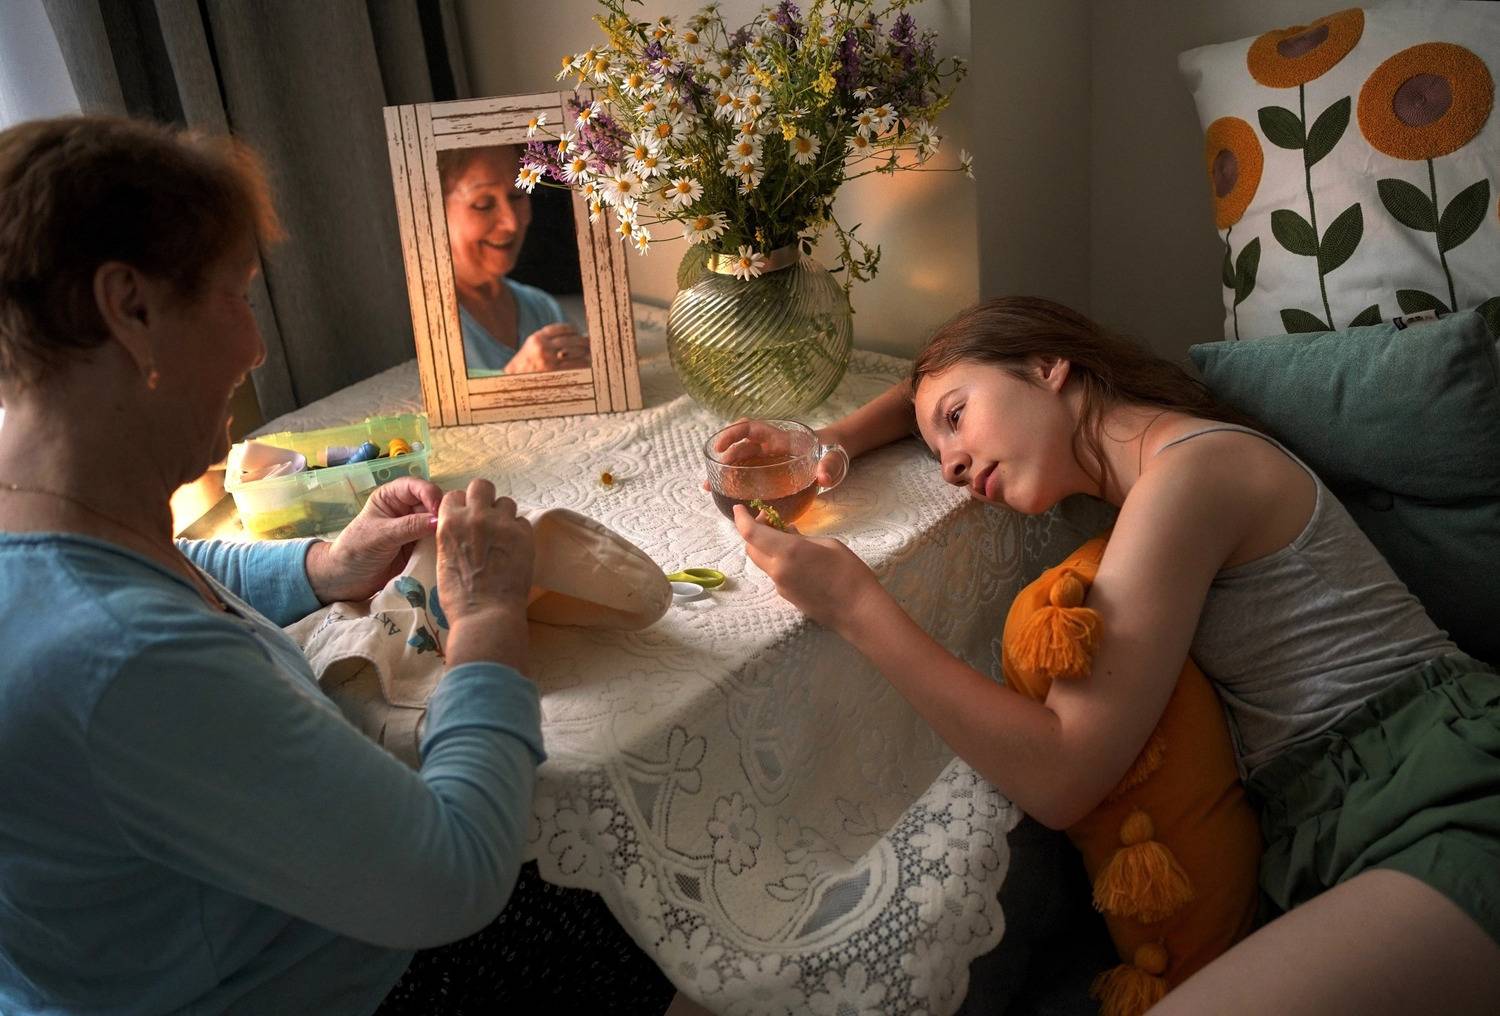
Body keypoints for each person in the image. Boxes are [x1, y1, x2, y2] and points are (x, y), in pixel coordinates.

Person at [0, 116, 670, 1015]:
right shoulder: (126, 664)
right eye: (236, 297)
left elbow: (166, 562)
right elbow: (456, 879)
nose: (255, 348)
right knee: (640, 894)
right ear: (132, 308)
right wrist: (486, 621)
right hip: (316, 986)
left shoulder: (51, 512)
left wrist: (323, 566)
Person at [727, 296, 1500, 1014]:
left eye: (957, 421)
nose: (953, 467)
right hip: (1342, 821)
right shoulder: (1151, 467)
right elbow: (925, 391)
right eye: (940, 449)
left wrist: (856, 606)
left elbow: (1064, 775)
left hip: (1443, 791)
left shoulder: (1191, 475)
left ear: (1047, 365)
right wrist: (827, 443)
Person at [437, 144, 590, 376]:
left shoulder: (543, 309)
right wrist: (514, 378)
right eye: (483, 204)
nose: (512, 223)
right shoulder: (423, 327)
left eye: (517, 196)